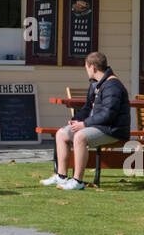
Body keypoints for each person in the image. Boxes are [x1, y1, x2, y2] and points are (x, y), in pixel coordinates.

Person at [40, 51, 129, 190]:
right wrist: (75, 120)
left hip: (113, 129)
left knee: (80, 137)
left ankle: (77, 181)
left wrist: (84, 124)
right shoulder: (96, 84)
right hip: (98, 126)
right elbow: (87, 108)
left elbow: (108, 115)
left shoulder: (113, 85)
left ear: (92, 67)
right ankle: (61, 176)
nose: (86, 70)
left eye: (86, 67)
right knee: (62, 133)